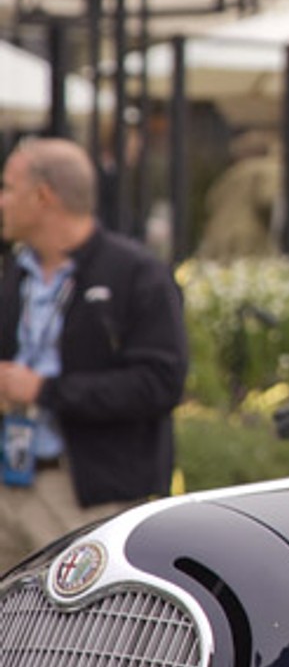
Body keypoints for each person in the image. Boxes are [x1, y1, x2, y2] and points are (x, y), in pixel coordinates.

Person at [0, 137, 188, 568]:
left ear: (43, 197)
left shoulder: (137, 274)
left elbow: (160, 383)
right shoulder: (17, 274)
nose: (2, 201)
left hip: (83, 496)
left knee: (66, 633)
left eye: (9, 188)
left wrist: (45, 391)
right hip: (11, 479)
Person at [196, 129, 281, 260]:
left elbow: (210, 202)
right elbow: (268, 200)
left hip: (216, 238)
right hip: (249, 239)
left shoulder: (229, 175)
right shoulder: (267, 168)